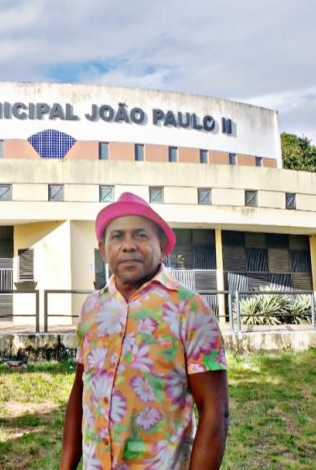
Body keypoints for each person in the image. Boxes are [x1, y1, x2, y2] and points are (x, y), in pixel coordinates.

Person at [60, 192, 229, 470]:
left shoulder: (190, 310)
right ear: (102, 250)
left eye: (140, 235)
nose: (128, 246)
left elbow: (215, 414)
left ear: (162, 245)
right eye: (117, 237)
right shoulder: (92, 309)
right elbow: (81, 392)